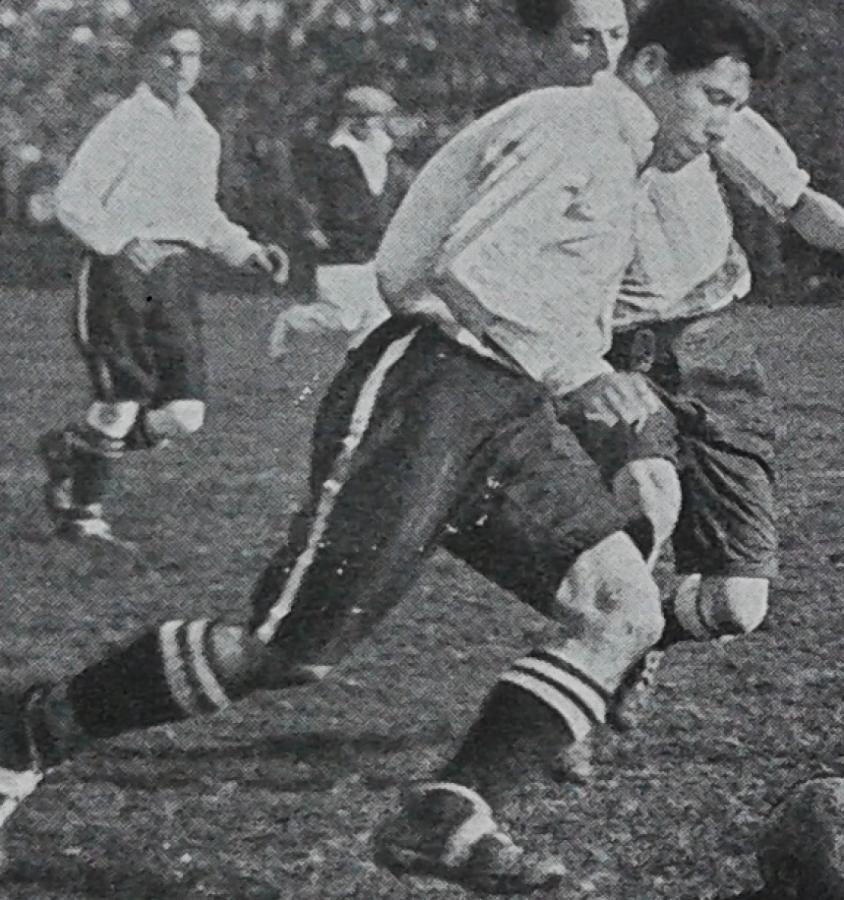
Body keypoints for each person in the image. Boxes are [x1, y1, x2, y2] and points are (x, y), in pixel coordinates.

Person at [0, 1, 777, 894]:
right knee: (287, 651)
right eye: (714, 100)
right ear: (646, 70)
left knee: (623, 610)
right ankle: (34, 725)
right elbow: (466, 277)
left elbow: (452, 269)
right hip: (427, 391)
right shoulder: (580, 133)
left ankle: (443, 812)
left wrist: (616, 409)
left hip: (501, 400)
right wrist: (584, 379)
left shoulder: (603, 141)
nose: (725, 127)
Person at [512, 0, 844, 739]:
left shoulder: (703, 107)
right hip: (616, 353)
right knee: (650, 497)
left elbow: (799, 206)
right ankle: (573, 697)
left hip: (716, 347)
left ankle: (633, 643)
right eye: (581, 38)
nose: (602, 53)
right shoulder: (544, 134)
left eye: (616, 34)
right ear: (546, 46)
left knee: (738, 605)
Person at [40, 4, 289, 554]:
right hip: (119, 274)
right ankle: (84, 515)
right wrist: (124, 244)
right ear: (144, 60)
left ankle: (72, 449)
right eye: (169, 54)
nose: (182, 65)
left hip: (174, 275)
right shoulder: (126, 123)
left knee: (185, 415)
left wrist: (246, 250)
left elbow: (200, 213)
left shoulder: (201, 131)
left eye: (192, 54)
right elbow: (72, 200)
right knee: (123, 395)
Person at [267, 86, 406, 356]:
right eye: (359, 115)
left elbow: (398, 195)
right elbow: (302, 194)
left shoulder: (389, 157)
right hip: (340, 242)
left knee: (375, 318)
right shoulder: (330, 155)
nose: (365, 122)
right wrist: (310, 226)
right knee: (344, 317)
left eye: (373, 116)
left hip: (377, 246)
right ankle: (292, 320)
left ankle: (358, 366)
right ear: (346, 117)